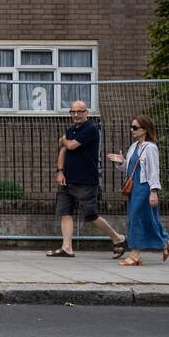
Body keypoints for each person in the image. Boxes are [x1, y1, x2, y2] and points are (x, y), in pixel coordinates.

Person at [46, 100, 127, 257]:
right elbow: (63, 151)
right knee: (65, 212)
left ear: (86, 113)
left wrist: (63, 140)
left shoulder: (91, 129)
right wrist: (60, 171)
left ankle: (117, 238)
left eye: (80, 111)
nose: (76, 115)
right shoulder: (71, 130)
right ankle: (67, 248)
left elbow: (70, 146)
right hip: (67, 179)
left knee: (91, 215)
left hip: (86, 181)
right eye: (73, 112)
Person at [107, 115, 169, 267]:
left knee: (136, 219)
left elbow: (153, 171)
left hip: (144, 188)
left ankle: (135, 255)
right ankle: (166, 242)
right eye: (131, 127)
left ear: (145, 129)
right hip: (134, 188)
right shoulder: (134, 146)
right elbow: (129, 169)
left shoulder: (150, 148)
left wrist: (154, 191)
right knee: (148, 218)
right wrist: (121, 162)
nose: (132, 130)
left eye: (135, 127)